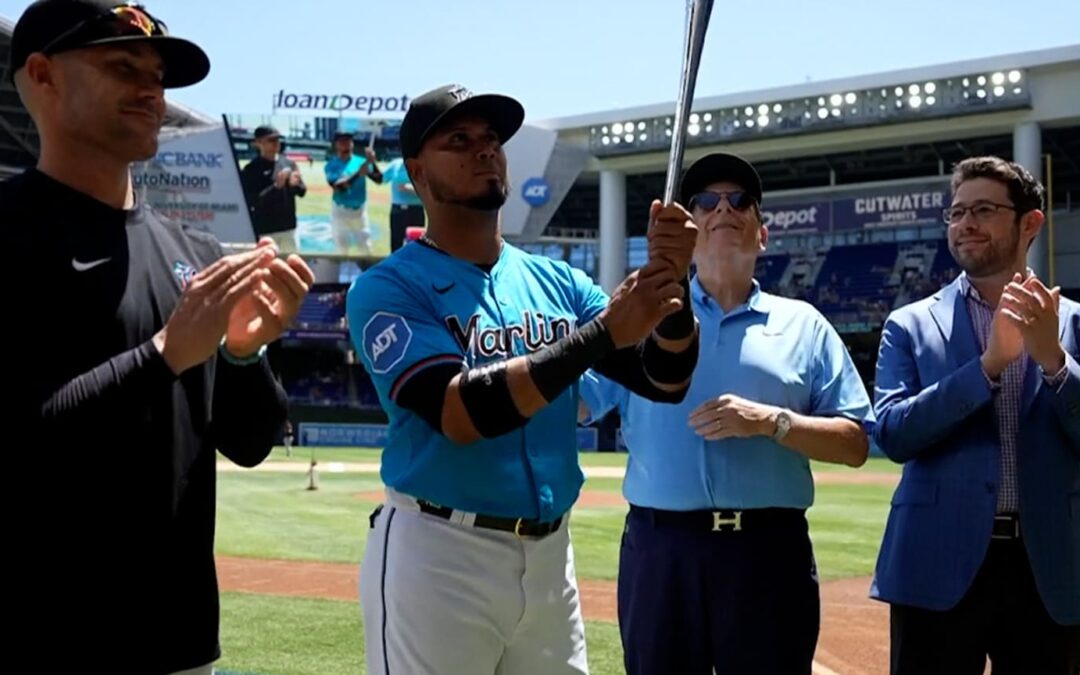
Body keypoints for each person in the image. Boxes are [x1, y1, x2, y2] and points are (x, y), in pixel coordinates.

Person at [346, 83, 701, 675]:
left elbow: (664, 379)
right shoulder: (387, 288)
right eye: (459, 140)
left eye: (491, 139)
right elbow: (461, 415)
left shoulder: (557, 282)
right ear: (414, 173)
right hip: (439, 554)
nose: (484, 150)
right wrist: (604, 331)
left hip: (550, 558)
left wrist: (675, 288)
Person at [5, 1, 315, 673]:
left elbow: (252, 441)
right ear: (43, 75)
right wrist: (166, 354)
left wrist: (241, 351)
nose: (152, 91)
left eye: (158, 76)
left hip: (181, 641)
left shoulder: (197, 252)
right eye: (123, 67)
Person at [579, 152, 875, 675]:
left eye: (741, 202)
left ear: (762, 234)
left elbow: (854, 443)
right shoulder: (640, 314)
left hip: (768, 554)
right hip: (661, 551)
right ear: (688, 233)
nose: (724, 209)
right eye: (706, 202)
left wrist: (773, 422)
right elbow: (576, 405)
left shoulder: (803, 324)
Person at [870, 156, 1079, 674]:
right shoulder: (909, 324)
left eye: (983, 210)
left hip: (1050, 567)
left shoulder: (1073, 324)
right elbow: (892, 434)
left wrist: (1054, 361)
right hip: (935, 565)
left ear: (1030, 223)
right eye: (957, 212)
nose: (965, 224)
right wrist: (987, 366)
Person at [239, 125, 306, 253]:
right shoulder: (251, 170)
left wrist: (295, 185)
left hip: (289, 228)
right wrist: (276, 187)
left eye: (278, 139)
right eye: (271, 140)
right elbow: (252, 201)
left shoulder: (289, 163)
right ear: (258, 143)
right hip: (266, 231)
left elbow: (302, 192)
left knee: (292, 266)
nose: (276, 143)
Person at [324, 131, 382, 254]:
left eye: (349, 141)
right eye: (342, 141)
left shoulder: (361, 161)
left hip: (359, 211)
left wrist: (372, 162)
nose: (346, 144)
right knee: (342, 247)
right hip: (340, 211)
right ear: (336, 145)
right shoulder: (331, 165)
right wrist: (358, 174)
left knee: (365, 247)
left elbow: (379, 179)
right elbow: (338, 187)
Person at [383, 156, 426, 252]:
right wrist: (372, 162)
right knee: (396, 244)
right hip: (398, 210)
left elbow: (428, 188)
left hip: (416, 210)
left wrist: (409, 188)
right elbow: (381, 178)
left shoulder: (422, 165)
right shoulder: (395, 164)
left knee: (418, 246)